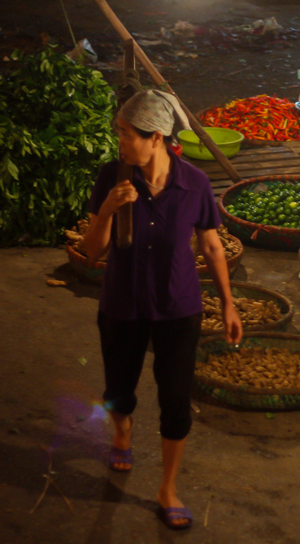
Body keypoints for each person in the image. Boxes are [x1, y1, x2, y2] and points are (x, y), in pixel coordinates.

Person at [82, 89, 243, 531]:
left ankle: (168, 488)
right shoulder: (111, 179)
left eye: (127, 134)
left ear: (156, 138)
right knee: (119, 388)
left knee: (175, 402)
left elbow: (211, 246)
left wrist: (228, 304)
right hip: (122, 304)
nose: (120, 141)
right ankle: (122, 431)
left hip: (178, 307)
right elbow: (92, 252)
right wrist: (109, 210)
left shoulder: (194, 183)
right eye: (119, 132)